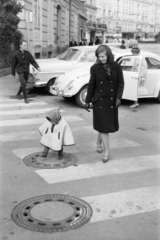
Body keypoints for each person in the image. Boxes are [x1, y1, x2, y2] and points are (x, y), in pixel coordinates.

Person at [85, 45, 124, 163]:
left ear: (108, 55)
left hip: (111, 101)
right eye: (99, 57)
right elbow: (91, 85)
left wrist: (118, 98)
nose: (101, 59)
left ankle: (98, 142)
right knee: (103, 127)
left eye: (103, 56)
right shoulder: (95, 68)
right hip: (99, 101)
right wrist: (88, 100)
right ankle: (107, 152)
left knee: (104, 126)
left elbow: (120, 84)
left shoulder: (116, 67)